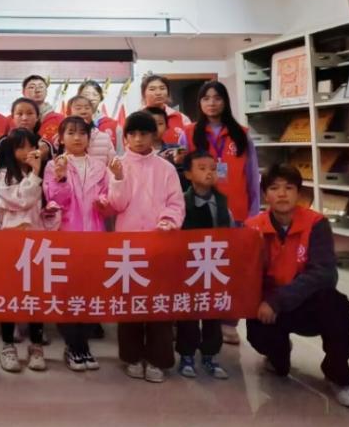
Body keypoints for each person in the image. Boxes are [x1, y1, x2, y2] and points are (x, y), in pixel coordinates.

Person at [245, 164, 349, 411]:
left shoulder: (316, 223)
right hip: (268, 308)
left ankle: (339, 375)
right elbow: (245, 275)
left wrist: (277, 301)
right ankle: (278, 353)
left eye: (289, 188)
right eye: (274, 188)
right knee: (272, 358)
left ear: (299, 193)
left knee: (336, 304)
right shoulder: (253, 227)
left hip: (305, 304)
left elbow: (324, 274)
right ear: (265, 194)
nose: (282, 194)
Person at [107, 110, 185, 384]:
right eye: (133, 134)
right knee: (130, 301)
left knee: (158, 302)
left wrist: (168, 221)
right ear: (126, 137)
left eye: (144, 134)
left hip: (160, 242)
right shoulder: (118, 165)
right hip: (128, 245)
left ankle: (158, 358)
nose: (138, 139)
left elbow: (176, 202)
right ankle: (131, 356)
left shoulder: (166, 168)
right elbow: (116, 205)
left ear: (154, 136)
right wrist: (118, 178)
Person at [188, 79, 260, 346]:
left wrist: (254, 215)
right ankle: (199, 319)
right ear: (199, 103)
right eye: (206, 98)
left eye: (217, 98)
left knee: (232, 270)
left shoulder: (241, 134)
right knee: (200, 269)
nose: (211, 103)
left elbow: (252, 176)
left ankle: (229, 322)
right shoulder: (189, 133)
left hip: (237, 213)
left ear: (225, 101)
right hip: (200, 213)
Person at [43, 116, 107, 371]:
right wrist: (60, 179)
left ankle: (83, 345)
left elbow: (109, 199)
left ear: (90, 138)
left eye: (82, 133)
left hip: (94, 237)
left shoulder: (100, 167)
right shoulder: (54, 165)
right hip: (66, 236)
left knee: (89, 293)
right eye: (71, 132)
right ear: (61, 138)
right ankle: (74, 346)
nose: (77, 137)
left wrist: (105, 202)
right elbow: (54, 200)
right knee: (67, 293)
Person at [0, 128, 56, 373]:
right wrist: (35, 174)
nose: (27, 152)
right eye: (20, 147)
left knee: (36, 294)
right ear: (11, 150)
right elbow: (21, 199)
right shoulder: (3, 175)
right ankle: (8, 346)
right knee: (9, 294)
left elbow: (50, 203)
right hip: (11, 242)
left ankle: (36, 345)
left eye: (31, 146)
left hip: (38, 242)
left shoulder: (47, 173)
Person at [176, 151, 232, 380]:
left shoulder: (222, 203)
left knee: (212, 312)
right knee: (188, 312)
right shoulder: (181, 202)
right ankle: (186, 354)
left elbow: (231, 233)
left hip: (214, 266)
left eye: (212, 168)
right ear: (188, 174)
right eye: (202, 168)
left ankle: (210, 354)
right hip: (189, 267)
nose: (209, 173)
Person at [0, 97, 51, 225]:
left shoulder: (45, 144)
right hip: (9, 214)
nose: (24, 118)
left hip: (39, 216)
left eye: (30, 113)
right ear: (12, 117)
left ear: (38, 117)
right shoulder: (4, 142)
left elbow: (51, 179)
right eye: (19, 114)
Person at [140, 74, 188, 146]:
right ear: (143, 94)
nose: (158, 93)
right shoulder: (137, 118)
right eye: (152, 89)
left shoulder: (181, 118)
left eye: (162, 88)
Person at [67, 94, 116, 164]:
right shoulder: (62, 138)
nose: (83, 111)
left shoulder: (104, 138)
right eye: (78, 108)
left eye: (87, 108)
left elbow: (113, 165)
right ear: (69, 113)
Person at [77, 80, 119, 145]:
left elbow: (120, 151)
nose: (90, 98)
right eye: (86, 95)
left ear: (100, 97)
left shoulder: (114, 126)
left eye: (95, 94)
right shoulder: (70, 124)